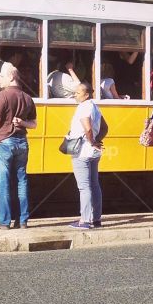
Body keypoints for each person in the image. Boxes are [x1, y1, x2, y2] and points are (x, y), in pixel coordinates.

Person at [0, 63, 37, 229]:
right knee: (22, 181)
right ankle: (22, 221)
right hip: (22, 143)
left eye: (1, 76)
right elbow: (34, 124)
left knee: (3, 182)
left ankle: (4, 221)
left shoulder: (2, 96)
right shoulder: (28, 98)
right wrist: (22, 122)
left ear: (11, 77)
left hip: (4, 143)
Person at [67, 82, 103, 229]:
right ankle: (96, 219)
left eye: (78, 92)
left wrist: (92, 140)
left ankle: (85, 220)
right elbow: (105, 127)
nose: (75, 94)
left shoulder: (83, 107)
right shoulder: (95, 107)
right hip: (94, 152)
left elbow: (87, 127)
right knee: (94, 184)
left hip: (82, 151)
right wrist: (97, 140)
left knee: (84, 186)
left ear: (86, 94)